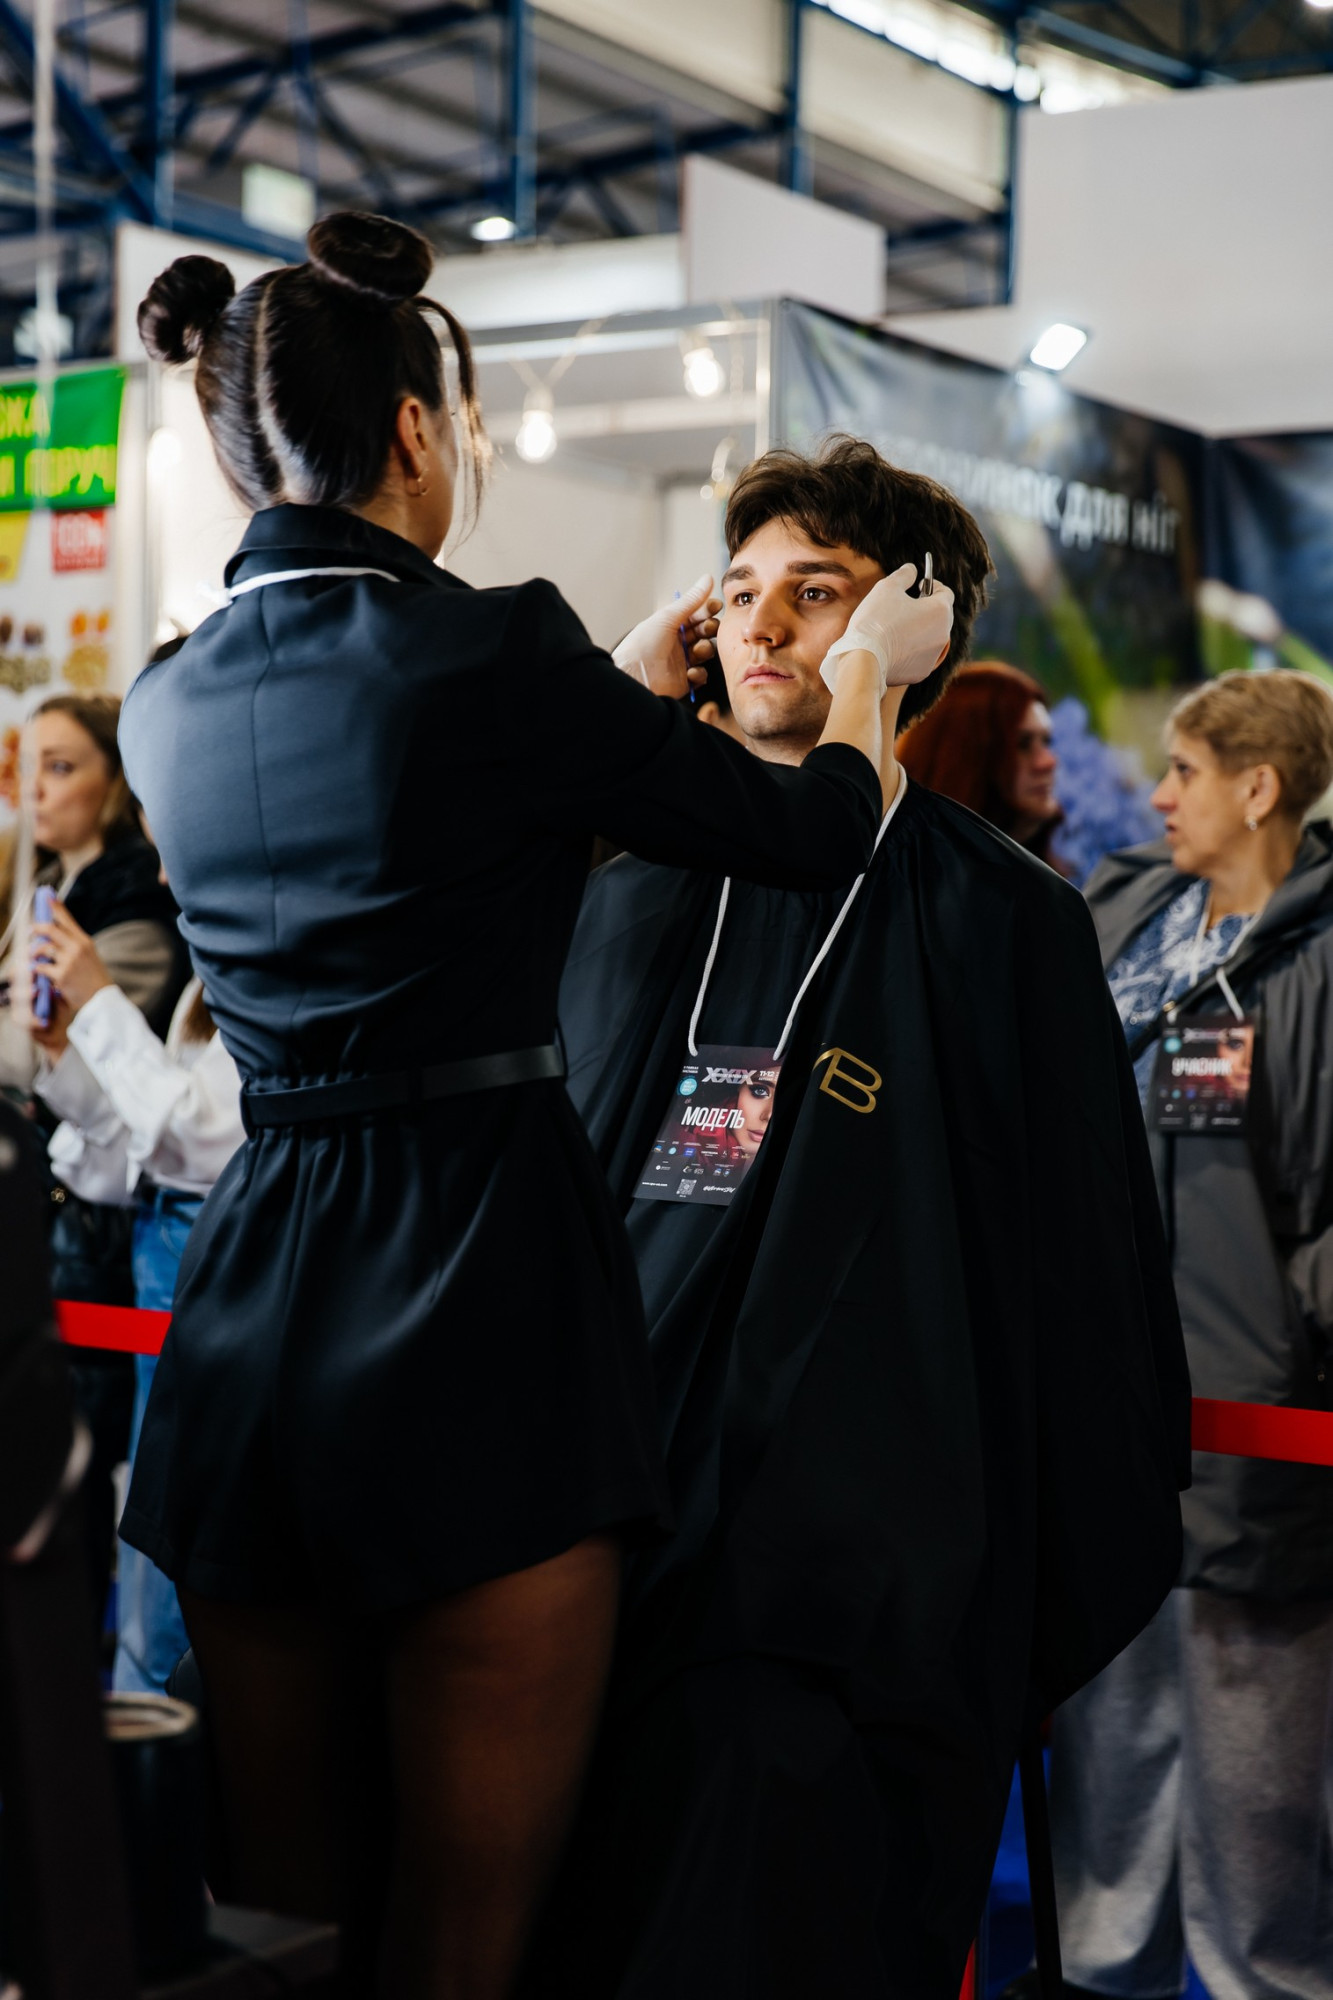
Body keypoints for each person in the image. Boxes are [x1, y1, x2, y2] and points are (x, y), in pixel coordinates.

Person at [116, 211, 950, 2000]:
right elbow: (814, 829)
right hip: (472, 1272)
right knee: (468, 1937)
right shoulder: (495, 652)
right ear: (418, 430)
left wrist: (600, 710)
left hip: (255, 1295)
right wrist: (869, 670)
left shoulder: (165, 698)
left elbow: (408, 873)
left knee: (278, 1922)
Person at [537, 437, 1190, 2000]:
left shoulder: (1005, 919)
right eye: (740, 590)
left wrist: (1011, 1602)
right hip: (605, 1558)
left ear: (909, 627)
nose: (762, 625)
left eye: (814, 593)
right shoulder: (623, 893)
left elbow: (1083, 1286)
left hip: (859, 1607)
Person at [1046, 669, 1333, 2000]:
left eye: (1184, 771)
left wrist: (1298, 1355)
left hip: (1262, 1445)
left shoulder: (1317, 960)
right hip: (1113, 1421)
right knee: (1108, 1768)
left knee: (1256, 1793)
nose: (1154, 797)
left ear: (1257, 786)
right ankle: (1104, 1977)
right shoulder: (1128, 919)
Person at [0, 693, 188, 1632]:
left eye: (63, 765)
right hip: (61, 1202)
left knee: (83, 1484)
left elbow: (163, 1122)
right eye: (26, 766)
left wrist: (62, 1027)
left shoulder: (134, 911)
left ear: (117, 784)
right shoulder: (45, 896)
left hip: (102, 1236)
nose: (36, 789)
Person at [29, 876, 243, 1695]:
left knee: (178, 1572)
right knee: (148, 1552)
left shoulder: (272, 958)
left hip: (211, 1273)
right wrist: (65, 1051)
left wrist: (97, 1001)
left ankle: (161, 1748)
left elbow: (199, 1138)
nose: (159, 874)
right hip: (163, 1273)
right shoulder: (207, 970)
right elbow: (139, 1156)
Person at [897, 659, 1065, 867]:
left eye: (1047, 741)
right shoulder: (910, 876)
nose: (1048, 762)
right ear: (963, 759)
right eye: (1023, 744)